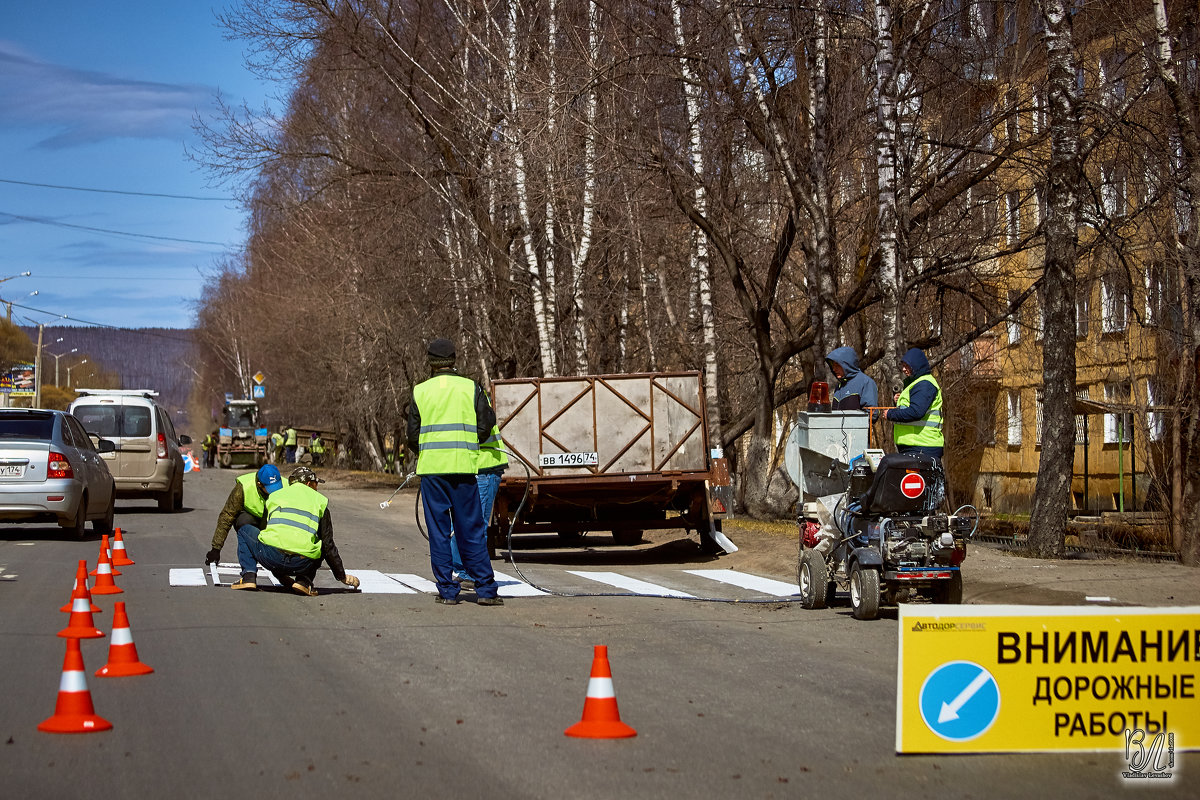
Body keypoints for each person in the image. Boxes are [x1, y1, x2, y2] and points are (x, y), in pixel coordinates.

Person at [406, 337, 503, 606]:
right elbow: (487, 424)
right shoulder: (470, 388)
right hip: (463, 467)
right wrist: (468, 442)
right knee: (470, 530)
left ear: (431, 362)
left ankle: (448, 592)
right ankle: (485, 590)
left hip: (433, 472)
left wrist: (428, 451)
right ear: (453, 360)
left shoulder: (420, 391)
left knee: (439, 532)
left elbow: (412, 436)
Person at [231, 466, 360, 595]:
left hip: (271, 558)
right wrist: (341, 576)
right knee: (321, 543)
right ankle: (304, 581)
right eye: (316, 484)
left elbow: (265, 530)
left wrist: (278, 571)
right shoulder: (319, 501)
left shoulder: (275, 496)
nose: (317, 488)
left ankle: (248, 575)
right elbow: (328, 546)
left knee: (244, 529)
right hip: (301, 563)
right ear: (309, 483)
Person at [450, 395, 509, 587]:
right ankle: (465, 570)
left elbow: (482, 426)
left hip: (480, 467)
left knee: (469, 524)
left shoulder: (467, 396)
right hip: (476, 467)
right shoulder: (467, 395)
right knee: (470, 524)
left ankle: (465, 570)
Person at [205, 464, 283, 566]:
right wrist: (216, 549)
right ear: (259, 484)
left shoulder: (286, 485)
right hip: (253, 521)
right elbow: (227, 515)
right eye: (269, 488)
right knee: (242, 522)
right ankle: (249, 570)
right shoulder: (243, 487)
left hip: (274, 522)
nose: (274, 492)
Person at [882, 347, 944, 459]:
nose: (904, 370)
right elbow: (914, 405)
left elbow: (916, 412)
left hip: (922, 445)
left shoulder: (924, 384)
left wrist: (891, 414)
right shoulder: (917, 383)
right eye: (903, 366)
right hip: (917, 445)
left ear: (917, 365)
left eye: (908, 366)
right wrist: (900, 400)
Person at [825, 347, 879, 411]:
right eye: (833, 365)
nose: (834, 369)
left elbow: (872, 414)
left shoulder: (866, 382)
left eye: (837, 365)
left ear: (847, 364)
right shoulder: (839, 386)